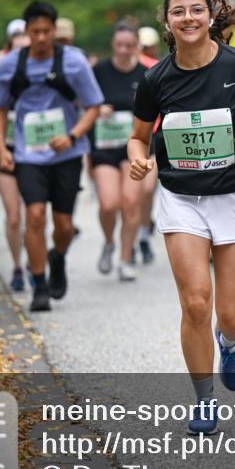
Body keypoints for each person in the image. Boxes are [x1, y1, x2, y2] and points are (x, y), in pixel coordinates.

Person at [128, 0, 235, 434]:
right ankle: (203, 400)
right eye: (179, 12)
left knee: (231, 315)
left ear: (210, 17)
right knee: (196, 302)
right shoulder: (156, 79)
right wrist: (139, 161)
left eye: (196, 10)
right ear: (167, 22)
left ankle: (229, 342)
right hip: (183, 199)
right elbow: (138, 138)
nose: (189, 18)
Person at [0, 0, 104, 312]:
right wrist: (1, 147)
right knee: (36, 216)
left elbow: (93, 105)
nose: (41, 37)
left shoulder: (74, 62)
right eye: (35, 31)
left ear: (54, 31)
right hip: (28, 155)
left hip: (67, 154)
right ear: (26, 31)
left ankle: (58, 257)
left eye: (46, 31)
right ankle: (39, 284)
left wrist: (72, 135)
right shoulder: (10, 65)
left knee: (64, 225)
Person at [91, 22, 148, 281]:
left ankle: (125, 259)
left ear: (136, 46)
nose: (124, 50)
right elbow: (83, 103)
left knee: (131, 202)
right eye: (119, 45)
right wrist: (97, 108)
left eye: (129, 45)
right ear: (113, 45)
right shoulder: (99, 71)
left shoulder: (146, 74)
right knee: (108, 202)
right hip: (104, 147)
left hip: (133, 146)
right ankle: (108, 242)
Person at [0, 19, 32, 291]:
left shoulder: (42, 78)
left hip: (34, 155)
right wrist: (0, 147)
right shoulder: (1, 78)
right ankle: (17, 266)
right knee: (14, 216)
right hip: (5, 153)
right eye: (15, 53)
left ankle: (34, 259)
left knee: (35, 214)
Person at [135, 25, 162, 263]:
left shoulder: (157, 70)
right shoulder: (146, 68)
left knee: (145, 189)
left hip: (152, 138)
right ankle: (134, 235)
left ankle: (143, 231)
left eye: (147, 47)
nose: (146, 50)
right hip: (125, 138)